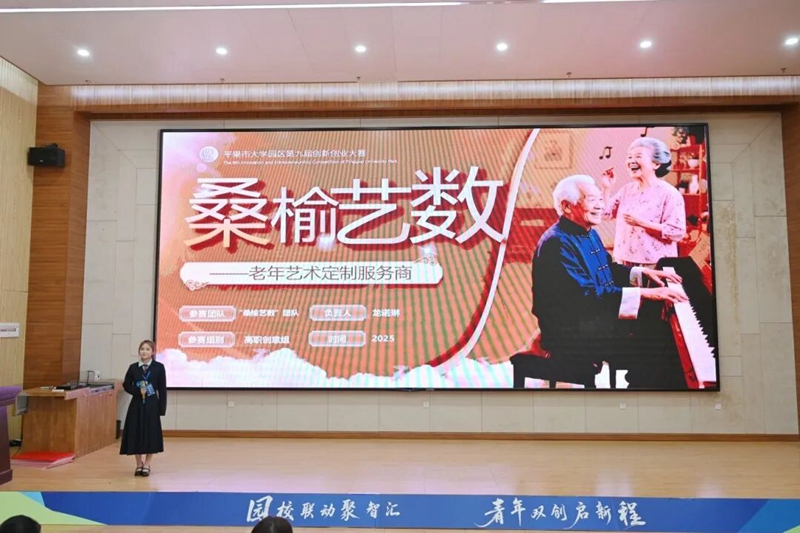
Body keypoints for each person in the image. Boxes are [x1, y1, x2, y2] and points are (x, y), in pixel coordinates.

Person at [532, 175, 688, 388]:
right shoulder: (556, 243)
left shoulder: (589, 232)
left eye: (600, 199)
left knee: (661, 330)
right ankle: (640, 398)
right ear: (567, 206)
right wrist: (646, 293)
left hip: (593, 321)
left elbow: (609, 269)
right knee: (660, 348)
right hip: (571, 333)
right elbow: (585, 296)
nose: (600, 205)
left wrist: (643, 272)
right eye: (592, 200)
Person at [599, 137, 686, 267]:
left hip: (654, 264)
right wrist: (606, 188)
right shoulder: (626, 190)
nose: (631, 161)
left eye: (638, 156)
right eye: (629, 157)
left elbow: (676, 231)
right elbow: (605, 214)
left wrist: (642, 223)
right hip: (624, 262)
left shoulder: (669, 193)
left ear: (656, 164)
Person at [120, 339, 167, 476]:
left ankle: (147, 464)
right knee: (136, 432)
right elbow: (126, 384)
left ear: (152, 352)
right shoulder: (133, 367)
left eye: (147, 349)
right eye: (142, 349)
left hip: (152, 405)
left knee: (150, 433)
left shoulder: (159, 367)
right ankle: (138, 464)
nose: (144, 352)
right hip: (136, 404)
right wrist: (137, 391)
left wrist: (161, 409)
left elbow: (162, 389)